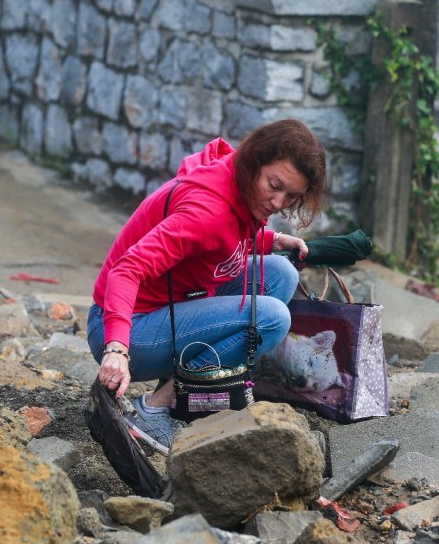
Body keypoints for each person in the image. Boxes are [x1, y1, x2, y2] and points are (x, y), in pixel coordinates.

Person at [87, 119, 327, 449]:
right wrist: (116, 349)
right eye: (275, 185)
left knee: (281, 274)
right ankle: (156, 409)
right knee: (272, 318)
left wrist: (272, 240)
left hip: (169, 307)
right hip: (126, 328)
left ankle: (201, 383)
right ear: (255, 161)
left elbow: (225, 241)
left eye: (291, 196)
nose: (278, 202)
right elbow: (125, 271)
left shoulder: (234, 181)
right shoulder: (206, 213)